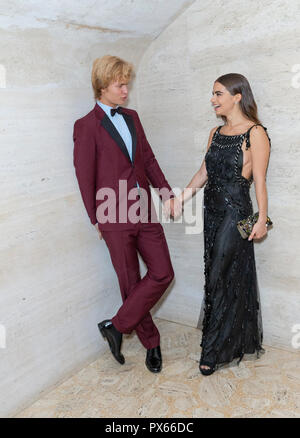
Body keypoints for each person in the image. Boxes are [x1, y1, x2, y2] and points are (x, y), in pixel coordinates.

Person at [73, 55, 180, 373]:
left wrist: (166, 194)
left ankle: (115, 326)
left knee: (163, 272)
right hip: (113, 214)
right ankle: (152, 344)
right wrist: (97, 219)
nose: (125, 91)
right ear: (103, 86)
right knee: (130, 283)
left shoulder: (132, 116)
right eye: (120, 85)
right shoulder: (86, 126)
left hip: (143, 208)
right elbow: (84, 176)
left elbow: (147, 158)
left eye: (126, 84)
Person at [172, 73, 271, 375]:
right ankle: (224, 341)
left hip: (235, 214)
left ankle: (211, 351)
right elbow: (203, 173)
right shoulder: (215, 133)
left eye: (218, 94)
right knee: (218, 276)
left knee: (218, 276)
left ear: (237, 96)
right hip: (212, 213)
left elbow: (261, 182)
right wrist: (181, 199)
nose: (213, 100)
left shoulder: (255, 133)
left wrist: (263, 218)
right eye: (212, 94)